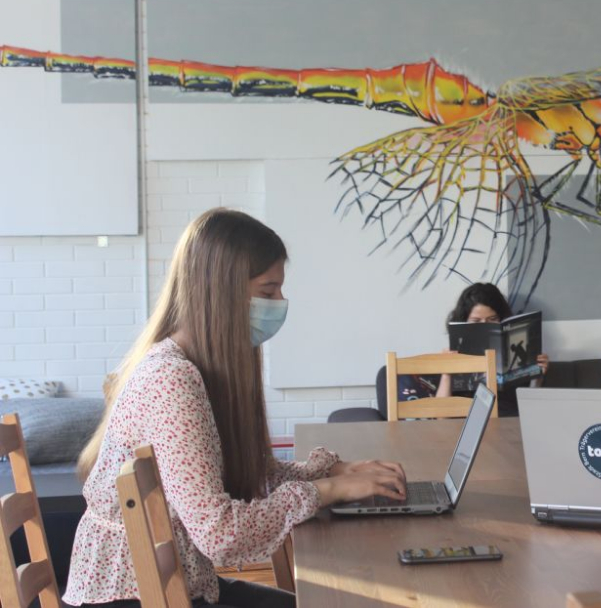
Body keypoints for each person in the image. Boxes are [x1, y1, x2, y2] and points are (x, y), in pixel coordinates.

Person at [65, 209, 407, 608]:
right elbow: (220, 534)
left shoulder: (198, 367)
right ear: (221, 292)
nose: (281, 303)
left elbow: (240, 475)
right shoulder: (170, 379)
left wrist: (328, 472)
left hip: (180, 585)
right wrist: (326, 490)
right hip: (131, 596)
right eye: (268, 291)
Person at [374, 283, 549, 418]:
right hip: (467, 427)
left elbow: (531, 412)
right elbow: (441, 417)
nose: (484, 326)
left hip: (508, 426)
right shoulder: (456, 357)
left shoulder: (514, 354)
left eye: (492, 319)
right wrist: (446, 372)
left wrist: (537, 376)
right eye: (476, 321)